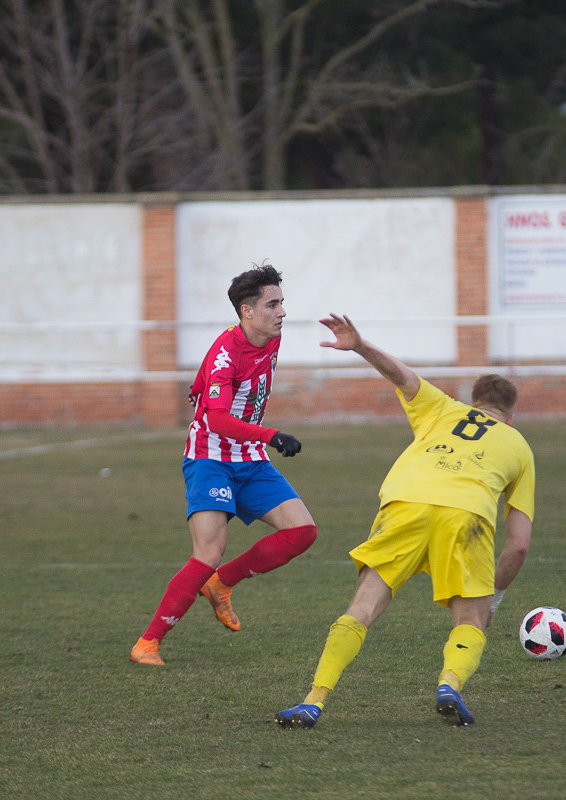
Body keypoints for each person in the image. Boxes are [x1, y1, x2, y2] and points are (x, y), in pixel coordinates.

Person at [275, 314, 535, 729]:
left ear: (473, 402)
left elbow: (402, 375)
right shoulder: (519, 446)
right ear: (511, 416)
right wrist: (496, 597)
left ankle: (313, 701)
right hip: (465, 515)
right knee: (469, 620)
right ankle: (449, 684)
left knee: (362, 607)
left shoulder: (444, 409)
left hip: (406, 501)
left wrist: (359, 345)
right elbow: (519, 544)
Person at [130, 263, 316, 666]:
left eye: (282, 302)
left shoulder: (269, 337)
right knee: (208, 551)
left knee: (302, 532)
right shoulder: (225, 354)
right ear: (247, 312)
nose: (282, 312)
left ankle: (222, 584)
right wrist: (271, 434)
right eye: (273, 304)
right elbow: (215, 418)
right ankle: (148, 643)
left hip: (248, 458)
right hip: (210, 458)